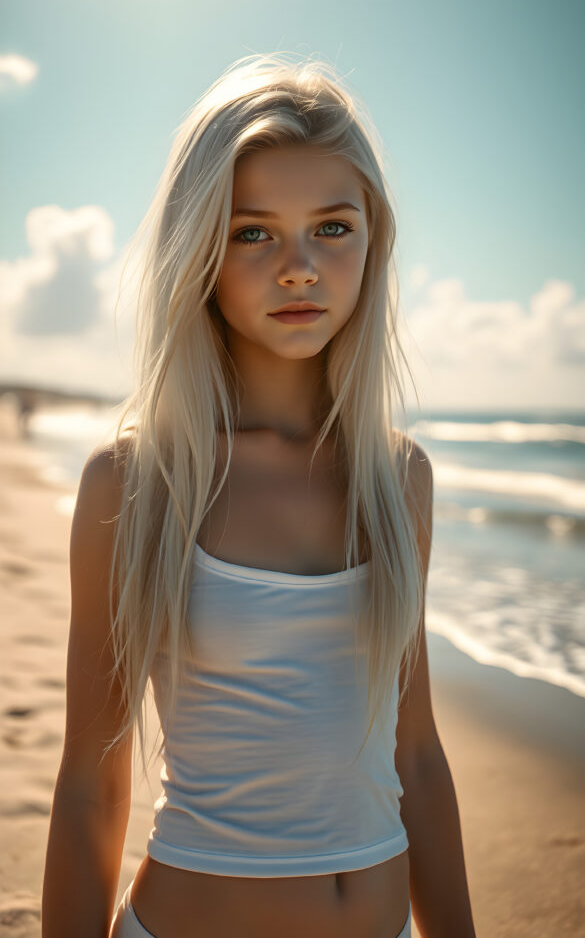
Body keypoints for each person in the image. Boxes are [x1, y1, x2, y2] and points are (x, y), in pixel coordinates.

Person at [41, 53, 476, 938]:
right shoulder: (136, 485)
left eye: (332, 227)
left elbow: (417, 756)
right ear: (198, 246)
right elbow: (93, 779)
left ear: (372, 241)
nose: (299, 268)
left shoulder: (399, 480)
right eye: (253, 232)